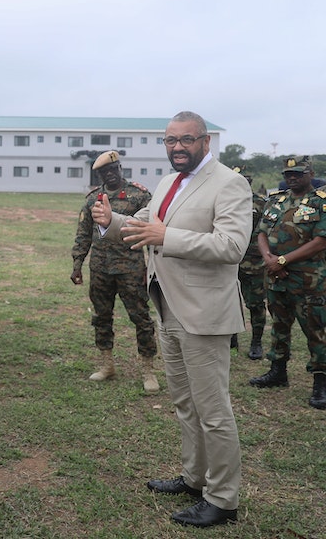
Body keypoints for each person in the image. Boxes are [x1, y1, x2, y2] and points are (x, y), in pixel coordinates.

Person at [92, 111, 251, 528]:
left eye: (186, 140)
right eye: (170, 140)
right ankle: (195, 478)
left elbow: (232, 246)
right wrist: (112, 224)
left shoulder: (229, 184)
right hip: (167, 306)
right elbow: (146, 223)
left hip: (204, 315)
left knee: (213, 411)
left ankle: (222, 498)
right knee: (184, 403)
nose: (177, 147)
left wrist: (169, 238)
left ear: (205, 141)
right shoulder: (167, 183)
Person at [71, 150, 157, 392]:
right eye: (103, 172)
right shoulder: (92, 199)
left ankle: (148, 370)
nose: (109, 174)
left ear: (120, 168)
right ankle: (107, 364)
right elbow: (83, 234)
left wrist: (150, 265)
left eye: (112, 169)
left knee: (140, 318)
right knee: (101, 317)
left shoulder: (139, 195)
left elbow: (150, 228)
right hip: (100, 268)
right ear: (97, 174)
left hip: (130, 268)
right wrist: (77, 264)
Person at [249, 156, 326, 409]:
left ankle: (320, 383)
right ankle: (277, 372)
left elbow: (321, 241)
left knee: (316, 330)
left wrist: (282, 261)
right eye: (288, 174)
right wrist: (270, 260)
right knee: (279, 325)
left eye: (298, 174)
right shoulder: (277, 200)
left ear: (310, 173)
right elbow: (262, 232)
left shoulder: (320, 203)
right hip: (276, 277)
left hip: (308, 279)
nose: (292, 178)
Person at [232, 167, 269, 360]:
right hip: (228, 262)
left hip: (254, 263)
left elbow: (267, 231)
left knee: (255, 304)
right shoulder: (223, 201)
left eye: (244, 180)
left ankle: (256, 342)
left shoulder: (260, 203)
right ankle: (231, 338)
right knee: (229, 302)